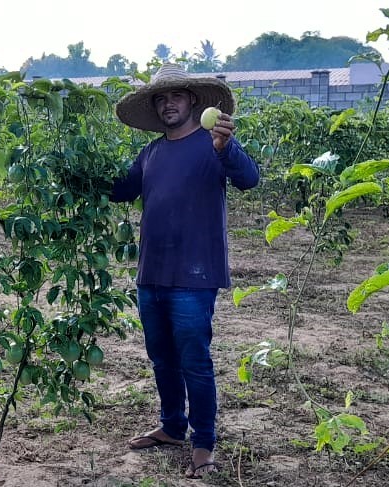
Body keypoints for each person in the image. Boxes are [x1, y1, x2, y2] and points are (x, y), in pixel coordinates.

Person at [109, 63, 260, 479]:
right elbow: (120, 189)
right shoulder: (152, 153)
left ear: (193, 100)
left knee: (195, 361)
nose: (168, 104)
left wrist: (226, 147)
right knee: (162, 358)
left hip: (195, 276)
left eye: (175, 95)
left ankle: (203, 442)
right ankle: (173, 426)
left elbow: (249, 179)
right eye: (161, 98)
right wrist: (78, 171)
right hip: (151, 274)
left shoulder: (213, 145)